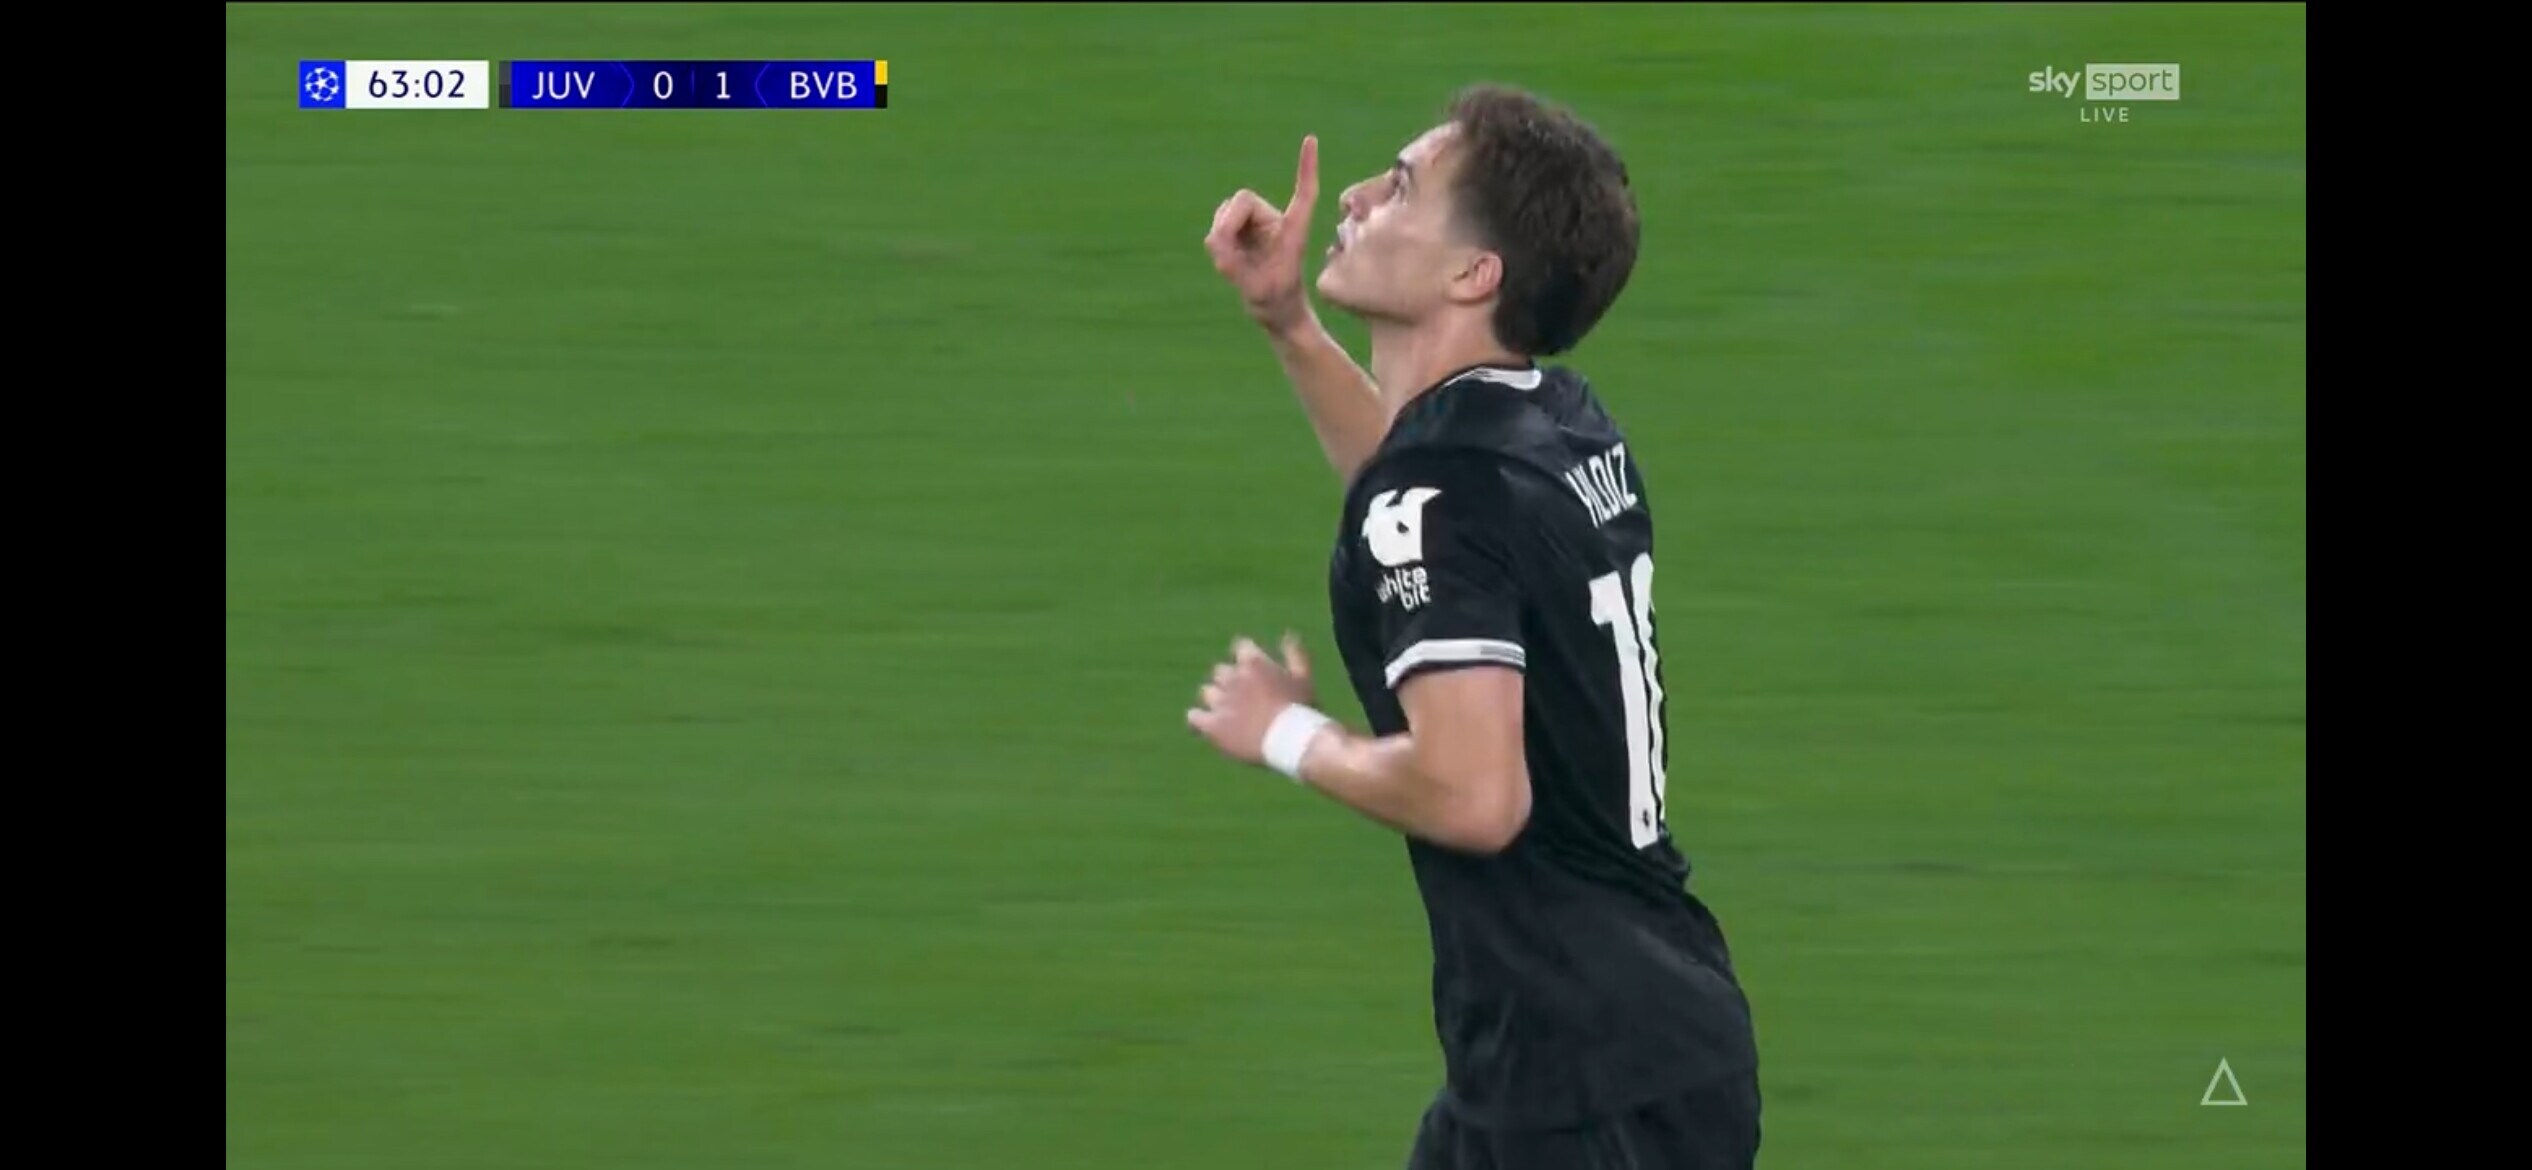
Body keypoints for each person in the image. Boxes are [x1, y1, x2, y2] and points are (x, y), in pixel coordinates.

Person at [1184, 85, 1763, 1169]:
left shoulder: (1449, 489)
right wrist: (1290, 323)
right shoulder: (1555, 420)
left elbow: (1475, 796)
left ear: (1473, 275)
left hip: (1579, 1091)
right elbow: (1413, 502)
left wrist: (1286, 735)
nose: (1355, 197)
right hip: (1627, 1048)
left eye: (1401, 187)